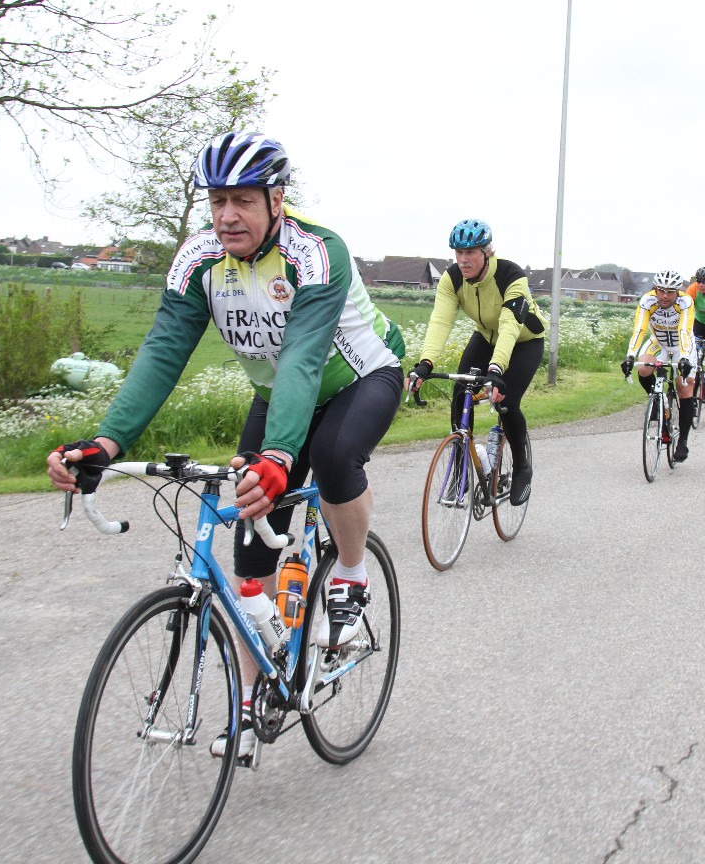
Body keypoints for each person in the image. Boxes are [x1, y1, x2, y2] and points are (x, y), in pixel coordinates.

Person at [48, 132, 406, 736]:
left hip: (360, 378)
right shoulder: (199, 260)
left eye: (242, 200)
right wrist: (107, 443)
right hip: (277, 394)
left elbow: (302, 356)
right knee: (249, 549)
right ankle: (249, 695)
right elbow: (164, 349)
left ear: (276, 199)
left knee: (332, 455)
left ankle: (350, 572)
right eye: (217, 201)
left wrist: (278, 455)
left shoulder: (317, 252)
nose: (227, 215)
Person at [407, 219, 546, 505]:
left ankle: (522, 467)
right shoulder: (452, 278)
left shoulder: (511, 276)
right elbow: (441, 321)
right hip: (485, 336)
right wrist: (425, 363)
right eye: (458, 252)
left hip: (524, 341)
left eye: (470, 252)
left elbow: (509, 326)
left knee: (507, 402)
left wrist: (496, 370)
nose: (463, 260)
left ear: (487, 252)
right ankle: (460, 473)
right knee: (461, 396)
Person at [621, 269, 699, 462]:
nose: (665, 296)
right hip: (659, 343)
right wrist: (630, 355)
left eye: (670, 292)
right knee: (644, 368)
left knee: (684, 386)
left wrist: (684, 358)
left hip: (682, 345)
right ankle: (657, 400)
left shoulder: (685, 302)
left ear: (677, 292)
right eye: (661, 291)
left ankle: (683, 441)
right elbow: (639, 329)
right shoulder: (647, 301)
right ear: (655, 289)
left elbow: (684, 331)